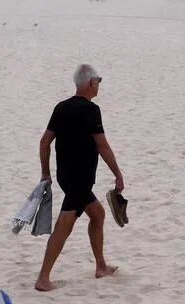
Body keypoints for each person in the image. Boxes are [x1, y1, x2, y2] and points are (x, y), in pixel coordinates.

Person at [35, 64, 124, 292]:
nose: (99, 85)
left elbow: (45, 142)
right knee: (64, 225)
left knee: (98, 214)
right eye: (98, 81)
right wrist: (118, 173)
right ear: (91, 83)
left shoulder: (61, 107)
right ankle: (43, 278)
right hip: (80, 178)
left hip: (65, 175)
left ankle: (101, 266)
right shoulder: (91, 111)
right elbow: (102, 146)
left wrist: (45, 172)